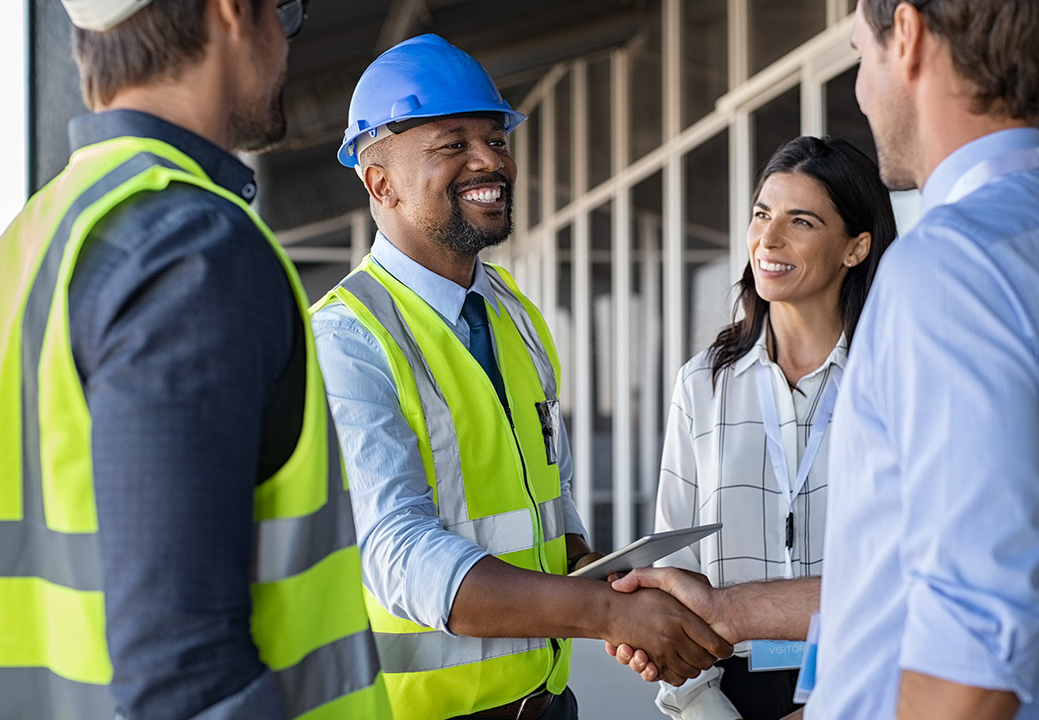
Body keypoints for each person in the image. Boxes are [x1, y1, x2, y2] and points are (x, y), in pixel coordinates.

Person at [612, 1, 1039, 718]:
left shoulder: (949, 266)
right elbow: (916, 581)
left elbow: (968, 648)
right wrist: (731, 610)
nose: (859, 91)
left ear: (905, 36)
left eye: (858, 54)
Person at [0, 1, 391, 718]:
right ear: (233, 13)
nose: (287, 38)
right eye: (288, 12)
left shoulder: (23, 244)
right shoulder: (190, 248)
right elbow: (185, 677)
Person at [310, 33, 730, 720]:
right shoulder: (346, 339)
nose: (490, 161)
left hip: (546, 705)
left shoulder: (510, 311)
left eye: (497, 138)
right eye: (453, 144)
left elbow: (545, 505)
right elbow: (399, 556)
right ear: (378, 181)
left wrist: (616, 582)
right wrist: (602, 615)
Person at [651, 136, 895, 720]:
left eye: (800, 221)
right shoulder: (702, 384)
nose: (769, 239)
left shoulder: (895, 382)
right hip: (728, 693)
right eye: (762, 214)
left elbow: (917, 573)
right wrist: (703, 707)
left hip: (867, 687)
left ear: (856, 247)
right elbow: (674, 571)